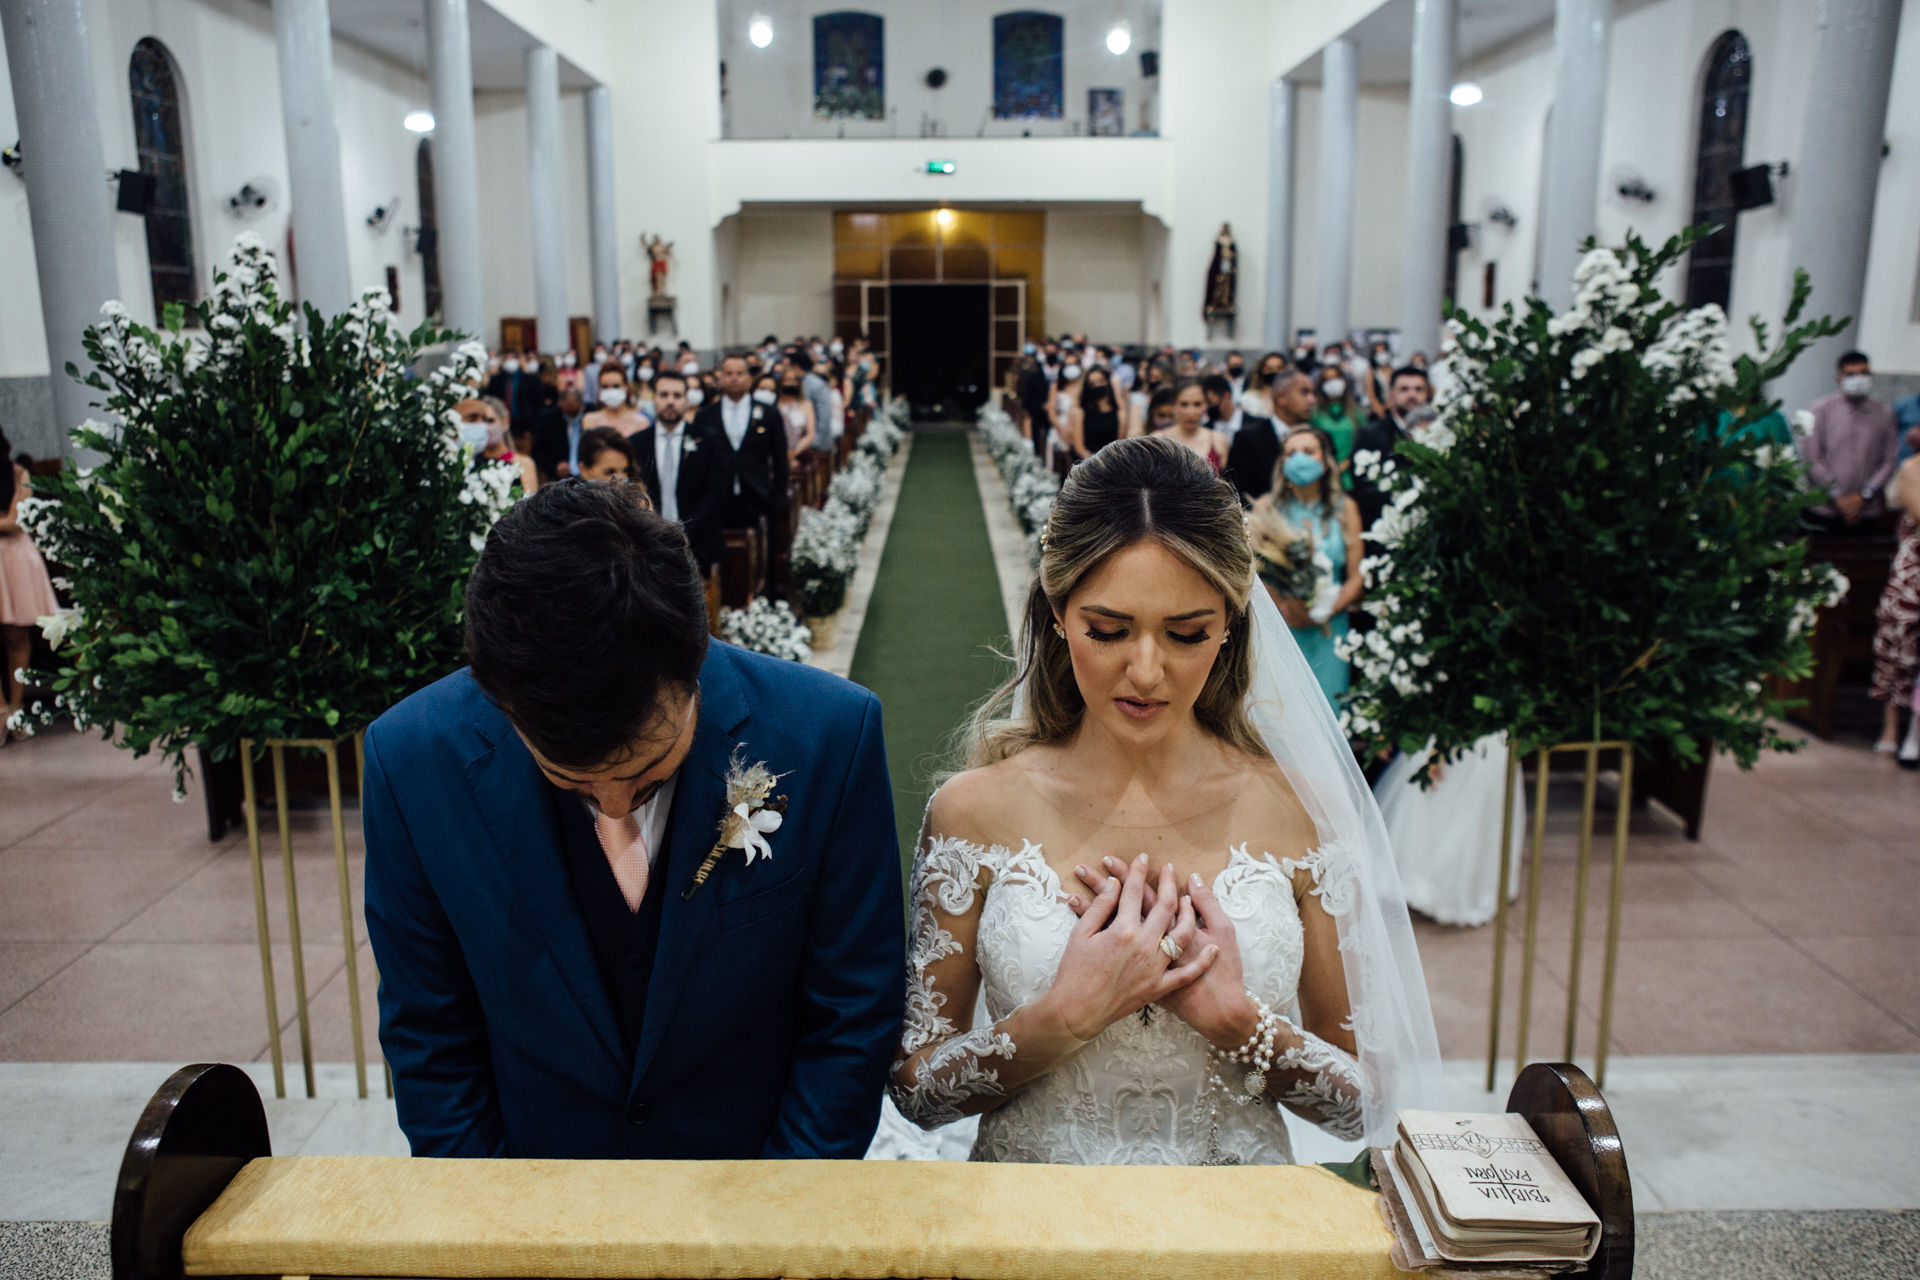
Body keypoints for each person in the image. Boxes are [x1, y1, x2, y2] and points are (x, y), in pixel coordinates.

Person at [883, 436, 1441, 1164]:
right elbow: (917, 1092)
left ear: (1232, 625)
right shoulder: (972, 812)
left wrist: (1242, 1025)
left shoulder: (1301, 810)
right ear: (1058, 612)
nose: (1145, 672)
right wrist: (1060, 1017)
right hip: (1029, 1236)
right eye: (1108, 630)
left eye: (1186, 635)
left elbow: (1363, 1103)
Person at [364, 481, 903, 1158]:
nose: (614, 810)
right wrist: (494, 1232)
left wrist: (779, 1220)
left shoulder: (828, 737)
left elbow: (853, 1012)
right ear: (499, 703)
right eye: (572, 783)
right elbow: (429, 1034)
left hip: (758, 1201)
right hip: (532, 1206)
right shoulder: (412, 761)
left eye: (648, 778)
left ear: (696, 658)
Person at [1247, 427, 1363, 708]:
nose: (1299, 458)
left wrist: (1325, 609)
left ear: (1324, 461)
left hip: (1331, 628)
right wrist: (1285, 609)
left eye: (1308, 452)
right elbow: (1253, 570)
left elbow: (1357, 576)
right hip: (1281, 627)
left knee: (1330, 708)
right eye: (1291, 453)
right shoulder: (1265, 508)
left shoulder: (1345, 508)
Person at [695, 353, 790, 589]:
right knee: (722, 555)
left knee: (763, 551)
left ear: (749, 377)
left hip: (757, 494)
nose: (734, 379)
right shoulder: (705, 416)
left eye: (740, 373)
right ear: (720, 377)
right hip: (719, 499)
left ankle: (767, 595)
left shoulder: (768, 413)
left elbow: (779, 459)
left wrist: (778, 495)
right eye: (728, 373)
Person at [633, 371, 729, 573]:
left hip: (698, 541)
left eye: (677, 396)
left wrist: (687, 530)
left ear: (686, 400)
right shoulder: (636, 443)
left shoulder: (708, 441)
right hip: (647, 545)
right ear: (654, 398)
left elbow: (717, 491)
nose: (670, 401)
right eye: (664, 394)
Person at [1, 429, 58, 741]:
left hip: (15, 559)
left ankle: (15, 707)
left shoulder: (18, 473)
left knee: (17, 636)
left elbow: (16, 521)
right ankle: (0, 713)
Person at [1803, 350, 1899, 531]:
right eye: (1851, 374)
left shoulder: (1884, 413)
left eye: (1864, 373)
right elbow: (1812, 460)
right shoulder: (1820, 410)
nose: (1858, 378)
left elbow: (1889, 461)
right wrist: (1836, 497)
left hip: (1867, 510)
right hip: (1824, 509)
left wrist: (1863, 496)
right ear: (1838, 377)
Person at [1871, 427, 1920, 756]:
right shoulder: (1912, 468)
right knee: (1899, 643)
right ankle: (1890, 726)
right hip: (1914, 572)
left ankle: (1914, 734)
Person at [1351, 366, 1433, 531]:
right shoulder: (1370, 434)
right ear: (1391, 395)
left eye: (1419, 389)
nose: (1412, 395)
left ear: (1427, 394)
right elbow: (1363, 488)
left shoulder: (1438, 431)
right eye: (1404, 389)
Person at [1224, 369, 1315, 506]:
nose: (1312, 400)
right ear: (1281, 397)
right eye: (1304, 392)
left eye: (1312, 393)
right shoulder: (1247, 439)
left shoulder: (1318, 437)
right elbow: (1235, 492)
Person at [1149, 379, 1228, 476]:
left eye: (1197, 404)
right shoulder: (1157, 440)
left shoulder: (1218, 440)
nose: (1190, 412)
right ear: (1174, 405)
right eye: (1184, 404)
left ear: (1206, 405)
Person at [460, 397, 538, 495]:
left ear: (505, 423)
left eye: (490, 420)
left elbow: (529, 504)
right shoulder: (470, 462)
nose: (484, 427)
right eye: (479, 422)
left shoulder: (523, 464)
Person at [1309, 364, 1364, 491]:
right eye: (1328, 380)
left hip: (1353, 473)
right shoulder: (1315, 414)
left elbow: (1363, 440)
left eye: (1336, 378)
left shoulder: (1357, 412)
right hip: (1324, 473)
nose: (1333, 383)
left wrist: (1349, 462)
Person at [531, 385, 587, 483]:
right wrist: (555, 465)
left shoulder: (590, 416)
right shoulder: (549, 419)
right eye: (568, 412)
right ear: (560, 404)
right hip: (559, 479)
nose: (571, 417)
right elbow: (538, 451)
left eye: (575, 412)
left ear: (581, 405)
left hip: (588, 475)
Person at [1069, 365, 1126, 460]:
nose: (1098, 386)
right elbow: (1079, 447)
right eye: (1092, 384)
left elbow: (1120, 444)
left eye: (1101, 381)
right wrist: (1095, 463)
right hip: (1087, 463)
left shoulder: (1119, 413)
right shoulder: (1081, 413)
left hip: (1112, 463)